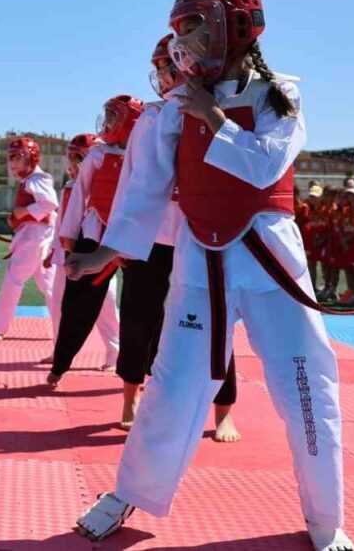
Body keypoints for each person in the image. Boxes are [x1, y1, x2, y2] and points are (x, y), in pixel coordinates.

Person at [66, 0, 354, 551]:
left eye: (196, 30)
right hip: (200, 261)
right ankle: (128, 493)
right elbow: (145, 190)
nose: (187, 46)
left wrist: (215, 117)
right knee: (172, 387)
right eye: (181, 34)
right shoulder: (172, 110)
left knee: (306, 384)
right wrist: (106, 250)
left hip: (272, 261)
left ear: (234, 28)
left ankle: (327, 519)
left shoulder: (279, 95)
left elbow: (266, 165)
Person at [105, 34, 239, 438]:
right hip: (151, 236)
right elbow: (131, 180)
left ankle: (224, 410)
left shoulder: (219, 109)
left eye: (170, 66)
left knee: (216, 321)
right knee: (137, 317)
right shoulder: (151, 117)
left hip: (202, 233)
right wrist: (119, 239)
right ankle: (130, 396)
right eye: (159, 68)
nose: (163, 75)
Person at [51, 97, 140, 381]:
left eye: (115, 117)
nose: (108, 123)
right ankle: (60, 364)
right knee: (77, 304)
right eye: (108, 116)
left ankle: (141, 371)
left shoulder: (145, 154)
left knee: (140, 309)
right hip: (93, 234)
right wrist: (68, 238)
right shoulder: (98, 155)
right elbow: (79, 195)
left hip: (135, 239)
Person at [47, 131, 117, 382]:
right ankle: (60, 353)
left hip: (102, 250)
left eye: (80, 159)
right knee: (62, 305)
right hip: (71, 253)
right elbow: (62, 222)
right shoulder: (69, 188)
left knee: (107, 306)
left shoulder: (107, 185)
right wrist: (54, 249)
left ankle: (115, 352)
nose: (74, 165)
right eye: (73, 159)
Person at [0, 136, 61, 341]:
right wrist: (18, 218)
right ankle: (62, 331)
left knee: (13, 281)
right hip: (38, 236)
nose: (13, 163)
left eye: (18, 157)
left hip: (34, 238)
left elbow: (50, 204)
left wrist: (23, 212)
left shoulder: (38, 179)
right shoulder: (30, 181)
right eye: (11, 158)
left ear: (31, 158)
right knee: (50, 287)